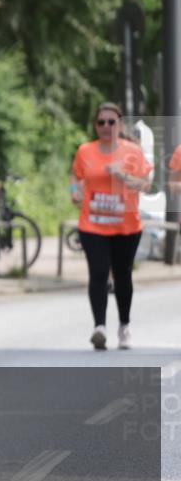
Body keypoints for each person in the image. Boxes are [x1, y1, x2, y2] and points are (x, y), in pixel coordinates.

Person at [71, 103, 152, 350]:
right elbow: (76, 176)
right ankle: (100, 328)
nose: (106, 126)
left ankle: (124, 326)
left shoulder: (133, 152)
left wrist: (123, 176)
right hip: (93, 224)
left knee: (123, 275)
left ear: (119, 124)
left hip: (126, 227)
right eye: (101, 122)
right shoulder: (86, 151)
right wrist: (75, 192)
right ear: (96, 125)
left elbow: (146, 185)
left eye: (111, 122)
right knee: (98, 272)